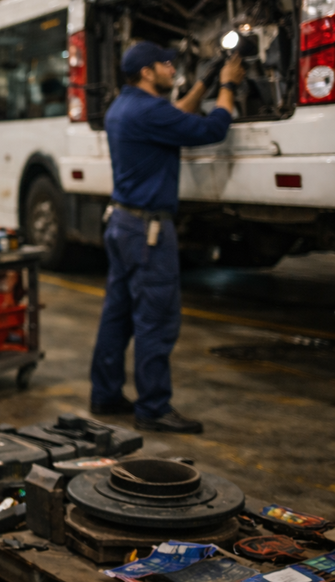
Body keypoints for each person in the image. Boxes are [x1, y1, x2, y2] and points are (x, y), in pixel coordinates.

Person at [89, 41, 245, 434]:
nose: (171, 69)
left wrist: (204, 83)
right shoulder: (149, 111)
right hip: (149, 232)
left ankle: (105, 394)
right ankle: (153, 408)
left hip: (122, 223)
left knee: (117, 315)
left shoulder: (122, 107)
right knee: (156, 319)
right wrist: (228, 85)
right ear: (147, 72)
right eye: (165, 64)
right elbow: (212, 129)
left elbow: (174, 116)